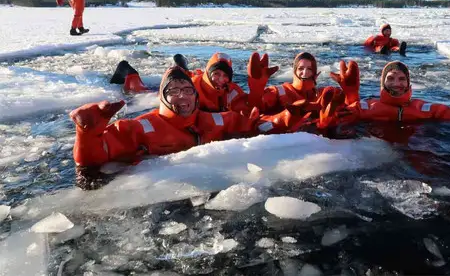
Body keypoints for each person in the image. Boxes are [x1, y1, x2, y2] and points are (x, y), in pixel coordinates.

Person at [72, 66, 338, 189]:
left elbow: (256, 127)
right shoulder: (143, 127)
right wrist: (87, 133)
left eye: (188, 90)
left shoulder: (212, 120)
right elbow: (98, 155)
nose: (183, 96)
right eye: (174, 91)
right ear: (163, 97)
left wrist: (290, 116)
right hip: (161, 190)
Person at [342, 60, 450, 129]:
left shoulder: (426, 108)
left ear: (408, 83)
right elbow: (337, 118)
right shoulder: (365, 106)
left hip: (417, 155)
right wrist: (349, 94)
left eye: (402, 79)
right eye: (391, 78)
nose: (396, 83)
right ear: (382, 83)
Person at [110, 53, 249, 113]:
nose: (220, 79)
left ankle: (180, 61)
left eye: (225, 76)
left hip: (195, 78)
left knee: (187, 73)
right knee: (139, 90)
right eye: (216, 74)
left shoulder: (231, 90)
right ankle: (127, 70)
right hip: (168, 90)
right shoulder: (191, 89)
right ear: (209, 74)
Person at [247, 51, 359, 116]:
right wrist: (257, 88)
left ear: (315, 72)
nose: (305, 72)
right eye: (300, 68)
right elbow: (254, 110)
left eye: (309, 69)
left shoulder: (324, 94)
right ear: (294, 71)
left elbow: (352, 111)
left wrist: (351, 93)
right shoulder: (279, 91)